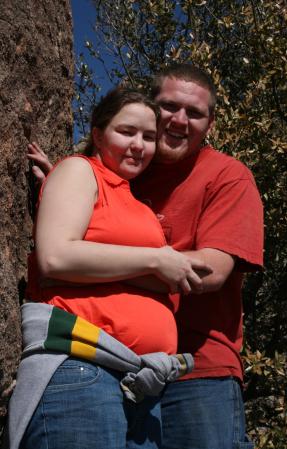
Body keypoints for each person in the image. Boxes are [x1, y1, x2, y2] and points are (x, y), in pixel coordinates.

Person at [26, 64, 264, 449]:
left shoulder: (227, 177)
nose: (179, 120)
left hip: (198, 373)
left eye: (195, 113)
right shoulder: (133, 172)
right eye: (168, 106)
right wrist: (67, 194)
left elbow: (208, 274)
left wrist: (85, 267)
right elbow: (93, 223)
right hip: (119, 366)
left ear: (211, 124)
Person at [7, 86, 213, 449]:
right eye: (127, 131)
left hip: (138, 383)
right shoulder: (79, 170)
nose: (139, 145)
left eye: (149, 137)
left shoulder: (134, 201)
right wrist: (156, 258)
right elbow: (56, 258)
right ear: (99, 134)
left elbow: (127, 265)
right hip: (82, 366)